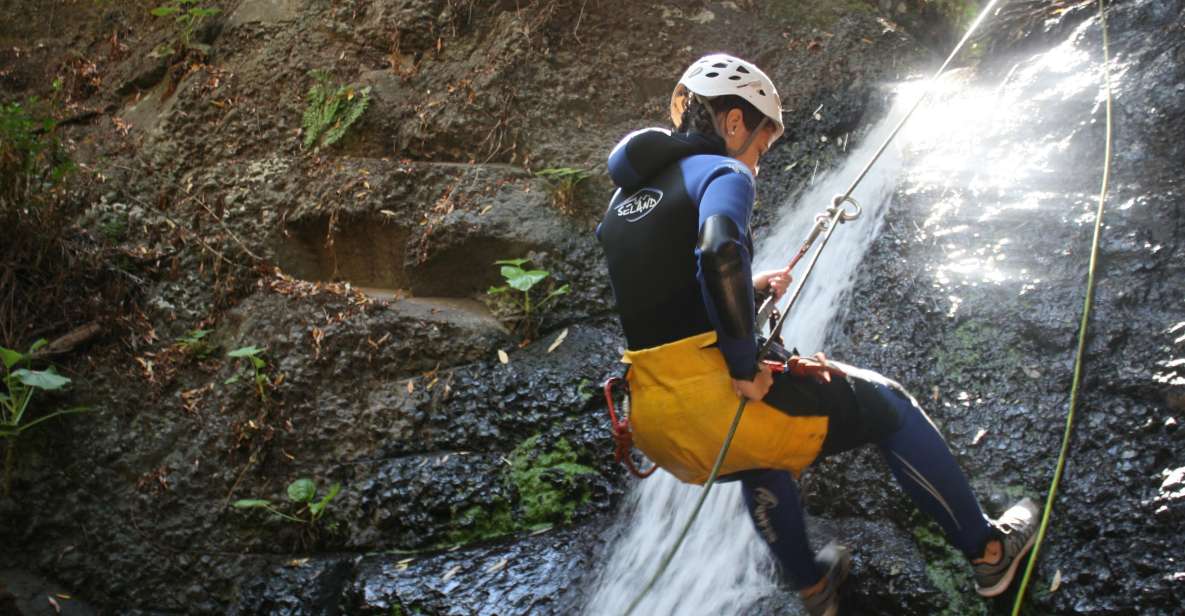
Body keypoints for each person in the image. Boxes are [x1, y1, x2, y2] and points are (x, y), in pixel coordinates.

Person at [595, 53, 1039, 616]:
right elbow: (718, 251)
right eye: (760, 144)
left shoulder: (623, 204)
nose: (757, 161)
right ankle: (989, 551)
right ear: (734, 122)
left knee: (762, 448)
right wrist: (743, 365)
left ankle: (813, 588)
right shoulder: (722, 172)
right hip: (714, 398)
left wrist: (748, 290)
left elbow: (664, 297)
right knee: (888, 404)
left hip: (657, 423)